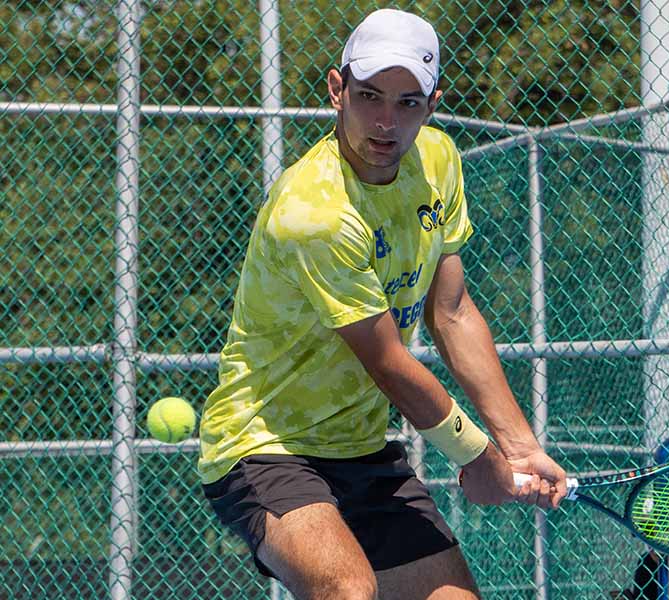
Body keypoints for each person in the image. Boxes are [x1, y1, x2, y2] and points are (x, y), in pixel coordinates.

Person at [198, 8, 567, 600]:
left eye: (407, 103)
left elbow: (451, 312)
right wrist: (477, 456)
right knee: (347, 591)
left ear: (432, 104)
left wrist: (519, 446)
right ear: (336, 89)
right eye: (369, 95)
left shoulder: (439, 161)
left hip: (362, 449)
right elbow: (389, 362)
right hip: (266, 444)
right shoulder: (314, 213)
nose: (385, 121)